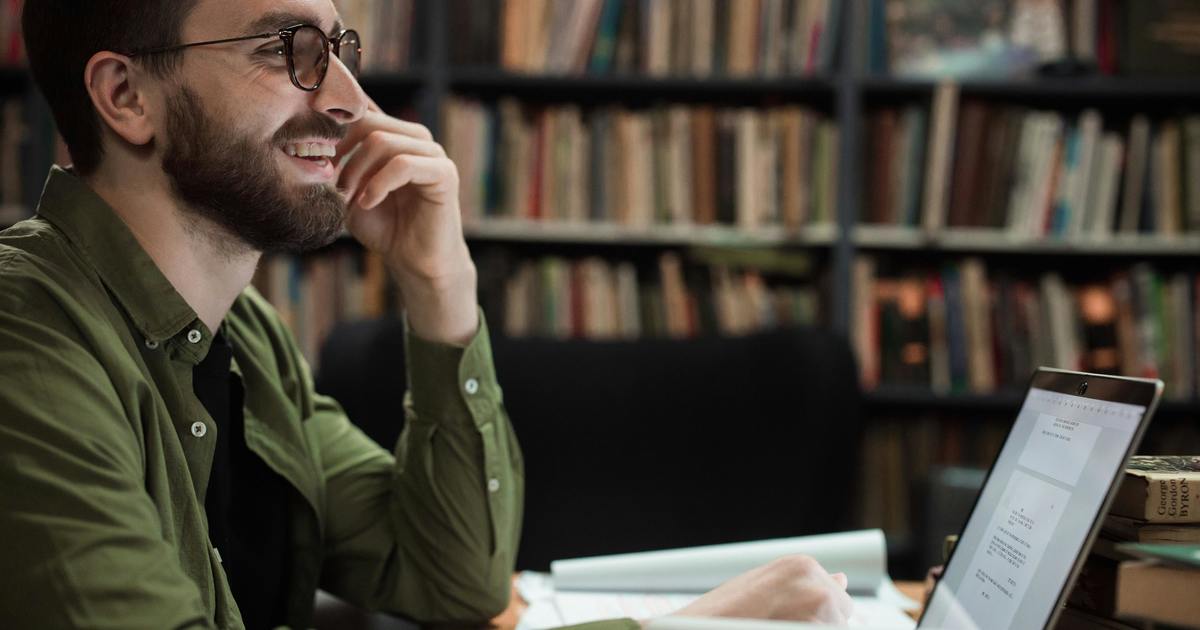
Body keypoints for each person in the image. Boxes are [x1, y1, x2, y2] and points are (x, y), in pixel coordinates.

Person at [0, 1, 854, 628]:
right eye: (281, 49)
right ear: (125, 97)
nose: (350, 99)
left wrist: (441, 287)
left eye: (339, 50)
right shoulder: (22, 338)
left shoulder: (246, 340)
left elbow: (452, 580)